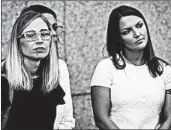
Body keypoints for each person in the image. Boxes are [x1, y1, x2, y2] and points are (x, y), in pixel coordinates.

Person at [90, 5, 171, 129]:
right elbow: (101, 119)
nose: (137, 34)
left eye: (139, 25)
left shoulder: (164, 70)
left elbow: (169, 119)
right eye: (126, 31)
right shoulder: (105, 67)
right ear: (118, 38)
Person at [1, 6, 74, 130]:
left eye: (45, 34)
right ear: (17, 42)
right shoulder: (4, 81)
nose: (39, 40)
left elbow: (66, 121)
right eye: (30, 35)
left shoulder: (54, 76)